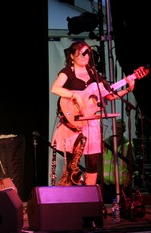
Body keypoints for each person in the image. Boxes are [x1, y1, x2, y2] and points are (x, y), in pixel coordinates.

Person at [51, 40, 135, 186]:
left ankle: (90, 195)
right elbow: (55, 88)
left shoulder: (94, 74)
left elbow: (109, 95)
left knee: (93, 161)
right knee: (72, 163)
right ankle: (71, 197)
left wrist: (128, 87)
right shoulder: (67, 72)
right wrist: (74, 95)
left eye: (87, 54)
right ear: (72, 56)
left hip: (91, 123)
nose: (85, 57)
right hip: (73, 123)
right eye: (81, 53)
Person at [103, 119, 135, 201]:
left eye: (119, 129)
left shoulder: (128, 145)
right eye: (114, 128)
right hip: (105, 185)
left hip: (121, 186)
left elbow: (131, 168)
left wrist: (125, 185)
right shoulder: (105, 143)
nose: (116, 130)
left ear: (124, 130)